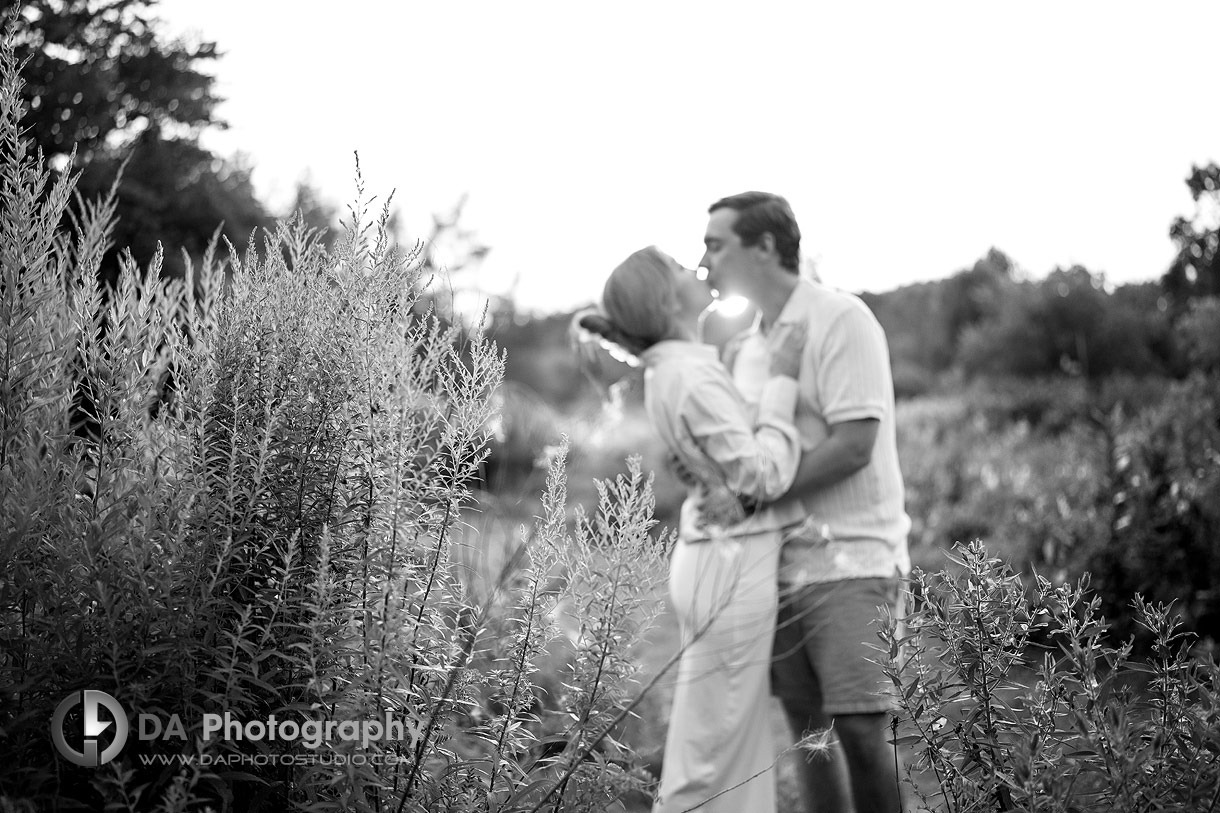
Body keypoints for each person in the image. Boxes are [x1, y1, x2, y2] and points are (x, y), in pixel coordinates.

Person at [697, 191, 911, 813]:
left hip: (851, 560)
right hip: (773, 566)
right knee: (808, 738)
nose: (704, 260)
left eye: (716, 244)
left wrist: (751, 500)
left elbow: (855, 444)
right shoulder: (750, 346)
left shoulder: (842, 319)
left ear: (764, 246)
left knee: (864, 735)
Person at [576, 245, 807, 813]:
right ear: (666, 296)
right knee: (711, 757)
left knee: (733, 747)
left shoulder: (683, 368)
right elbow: (763, 472)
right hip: (728, 568)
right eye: (681, 267)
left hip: (718, 558)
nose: (695, 270)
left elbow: (724, 466)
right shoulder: (688, 374)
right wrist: (782, 380)